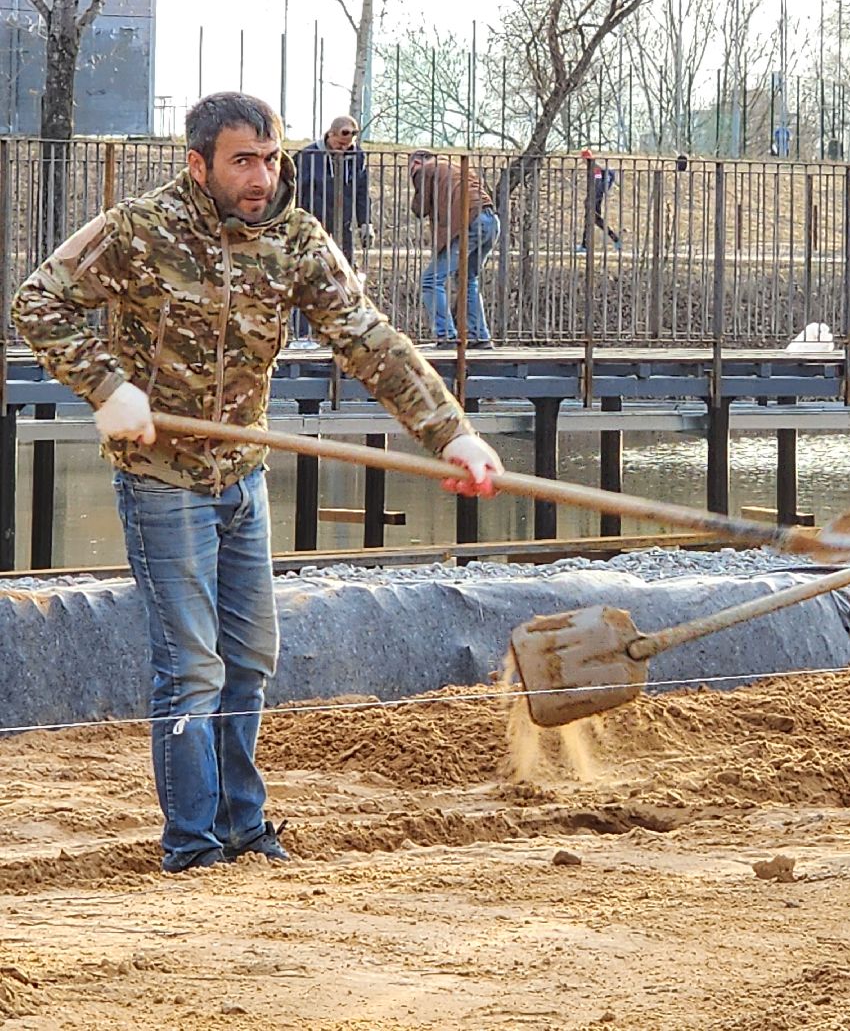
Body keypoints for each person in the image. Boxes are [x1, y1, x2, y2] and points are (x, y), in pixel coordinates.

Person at [11, 93, 505, 873]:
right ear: (198, 163)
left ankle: (246, 827)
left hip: (241, 476)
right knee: (193, 665)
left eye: (271, 158)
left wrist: (456, 435)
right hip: (161, 478)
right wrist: (110, 388)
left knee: (250, 657)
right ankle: (194, 847)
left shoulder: (297, 239)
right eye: (243, 160)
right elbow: (37, 302)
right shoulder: (141, 230)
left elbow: (370, 340)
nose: (261, 176)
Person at [291, 114, 374, 349]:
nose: (343, 149)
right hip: (312, 227)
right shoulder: (307, 157)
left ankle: (340, 333)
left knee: (343, 280)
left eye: (347, 146)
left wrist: (365, 222)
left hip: (342, 227)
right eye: (339, 144)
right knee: (307, 278)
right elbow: (294, 190)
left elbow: (361, 190)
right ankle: (303, 335)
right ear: (330, 135)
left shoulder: (357, 157)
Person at [408, 149, 498, 349]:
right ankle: (479, 336)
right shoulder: (455, 166)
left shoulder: (425, 170)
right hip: (491, 220)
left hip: (470, 222)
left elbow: (420, 209)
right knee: (467, 279)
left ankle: (446, 336)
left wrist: (416, 177)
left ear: (416, 162)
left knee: (431, 280)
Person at [578, 149, 621, 252]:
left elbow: (597, 183)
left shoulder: (595, 168)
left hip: (594, 199)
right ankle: (584, 245)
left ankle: (615, 239)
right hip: (595, 197)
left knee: (593, 220)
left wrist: (592, 198)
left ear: (585, 158)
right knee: (592, 221)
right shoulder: (594, 166)